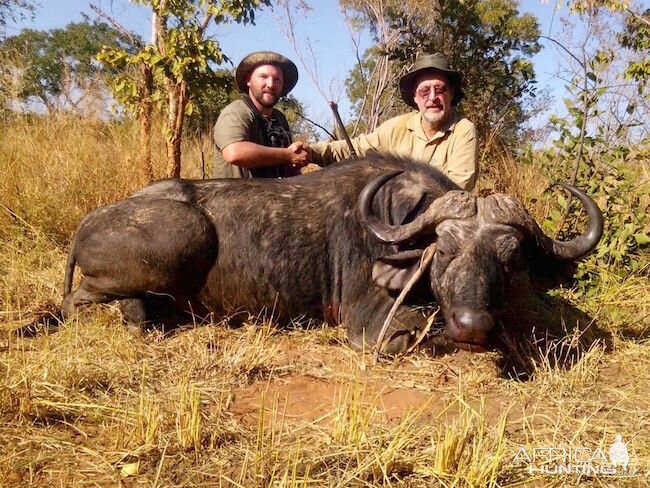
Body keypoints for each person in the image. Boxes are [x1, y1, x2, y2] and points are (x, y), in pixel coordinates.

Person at [310, 53, 478, 191]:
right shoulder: (396, 127)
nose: (433, 97)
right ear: (415, 96)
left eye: (440, 89)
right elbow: (356, 148)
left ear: (451, 93)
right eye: (424, 91)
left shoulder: (463, 130)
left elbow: (456, 191)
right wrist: (312, 152)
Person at [213, 51, 310, 178]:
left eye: (277, 79)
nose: (270, 84)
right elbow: (234, 152)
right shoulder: (236, 111)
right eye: (263, 77)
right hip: (235, 196)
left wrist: (300, 156)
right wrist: (288, 155)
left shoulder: (279, 118)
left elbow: (287, 166)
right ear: (248, 80)